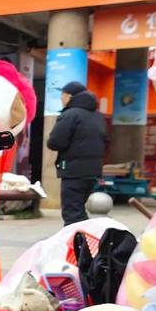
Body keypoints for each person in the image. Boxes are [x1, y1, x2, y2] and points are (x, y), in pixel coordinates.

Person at [47, 80, 108, 225]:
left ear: (69, 96)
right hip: (93, 171)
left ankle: (79, 244)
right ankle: (82, 241)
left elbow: (55, 142)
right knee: (78, 209)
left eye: (62, 96)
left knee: (72, 213)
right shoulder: (98, 117)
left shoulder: (70, 115)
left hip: (74, 171)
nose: (61, 99)